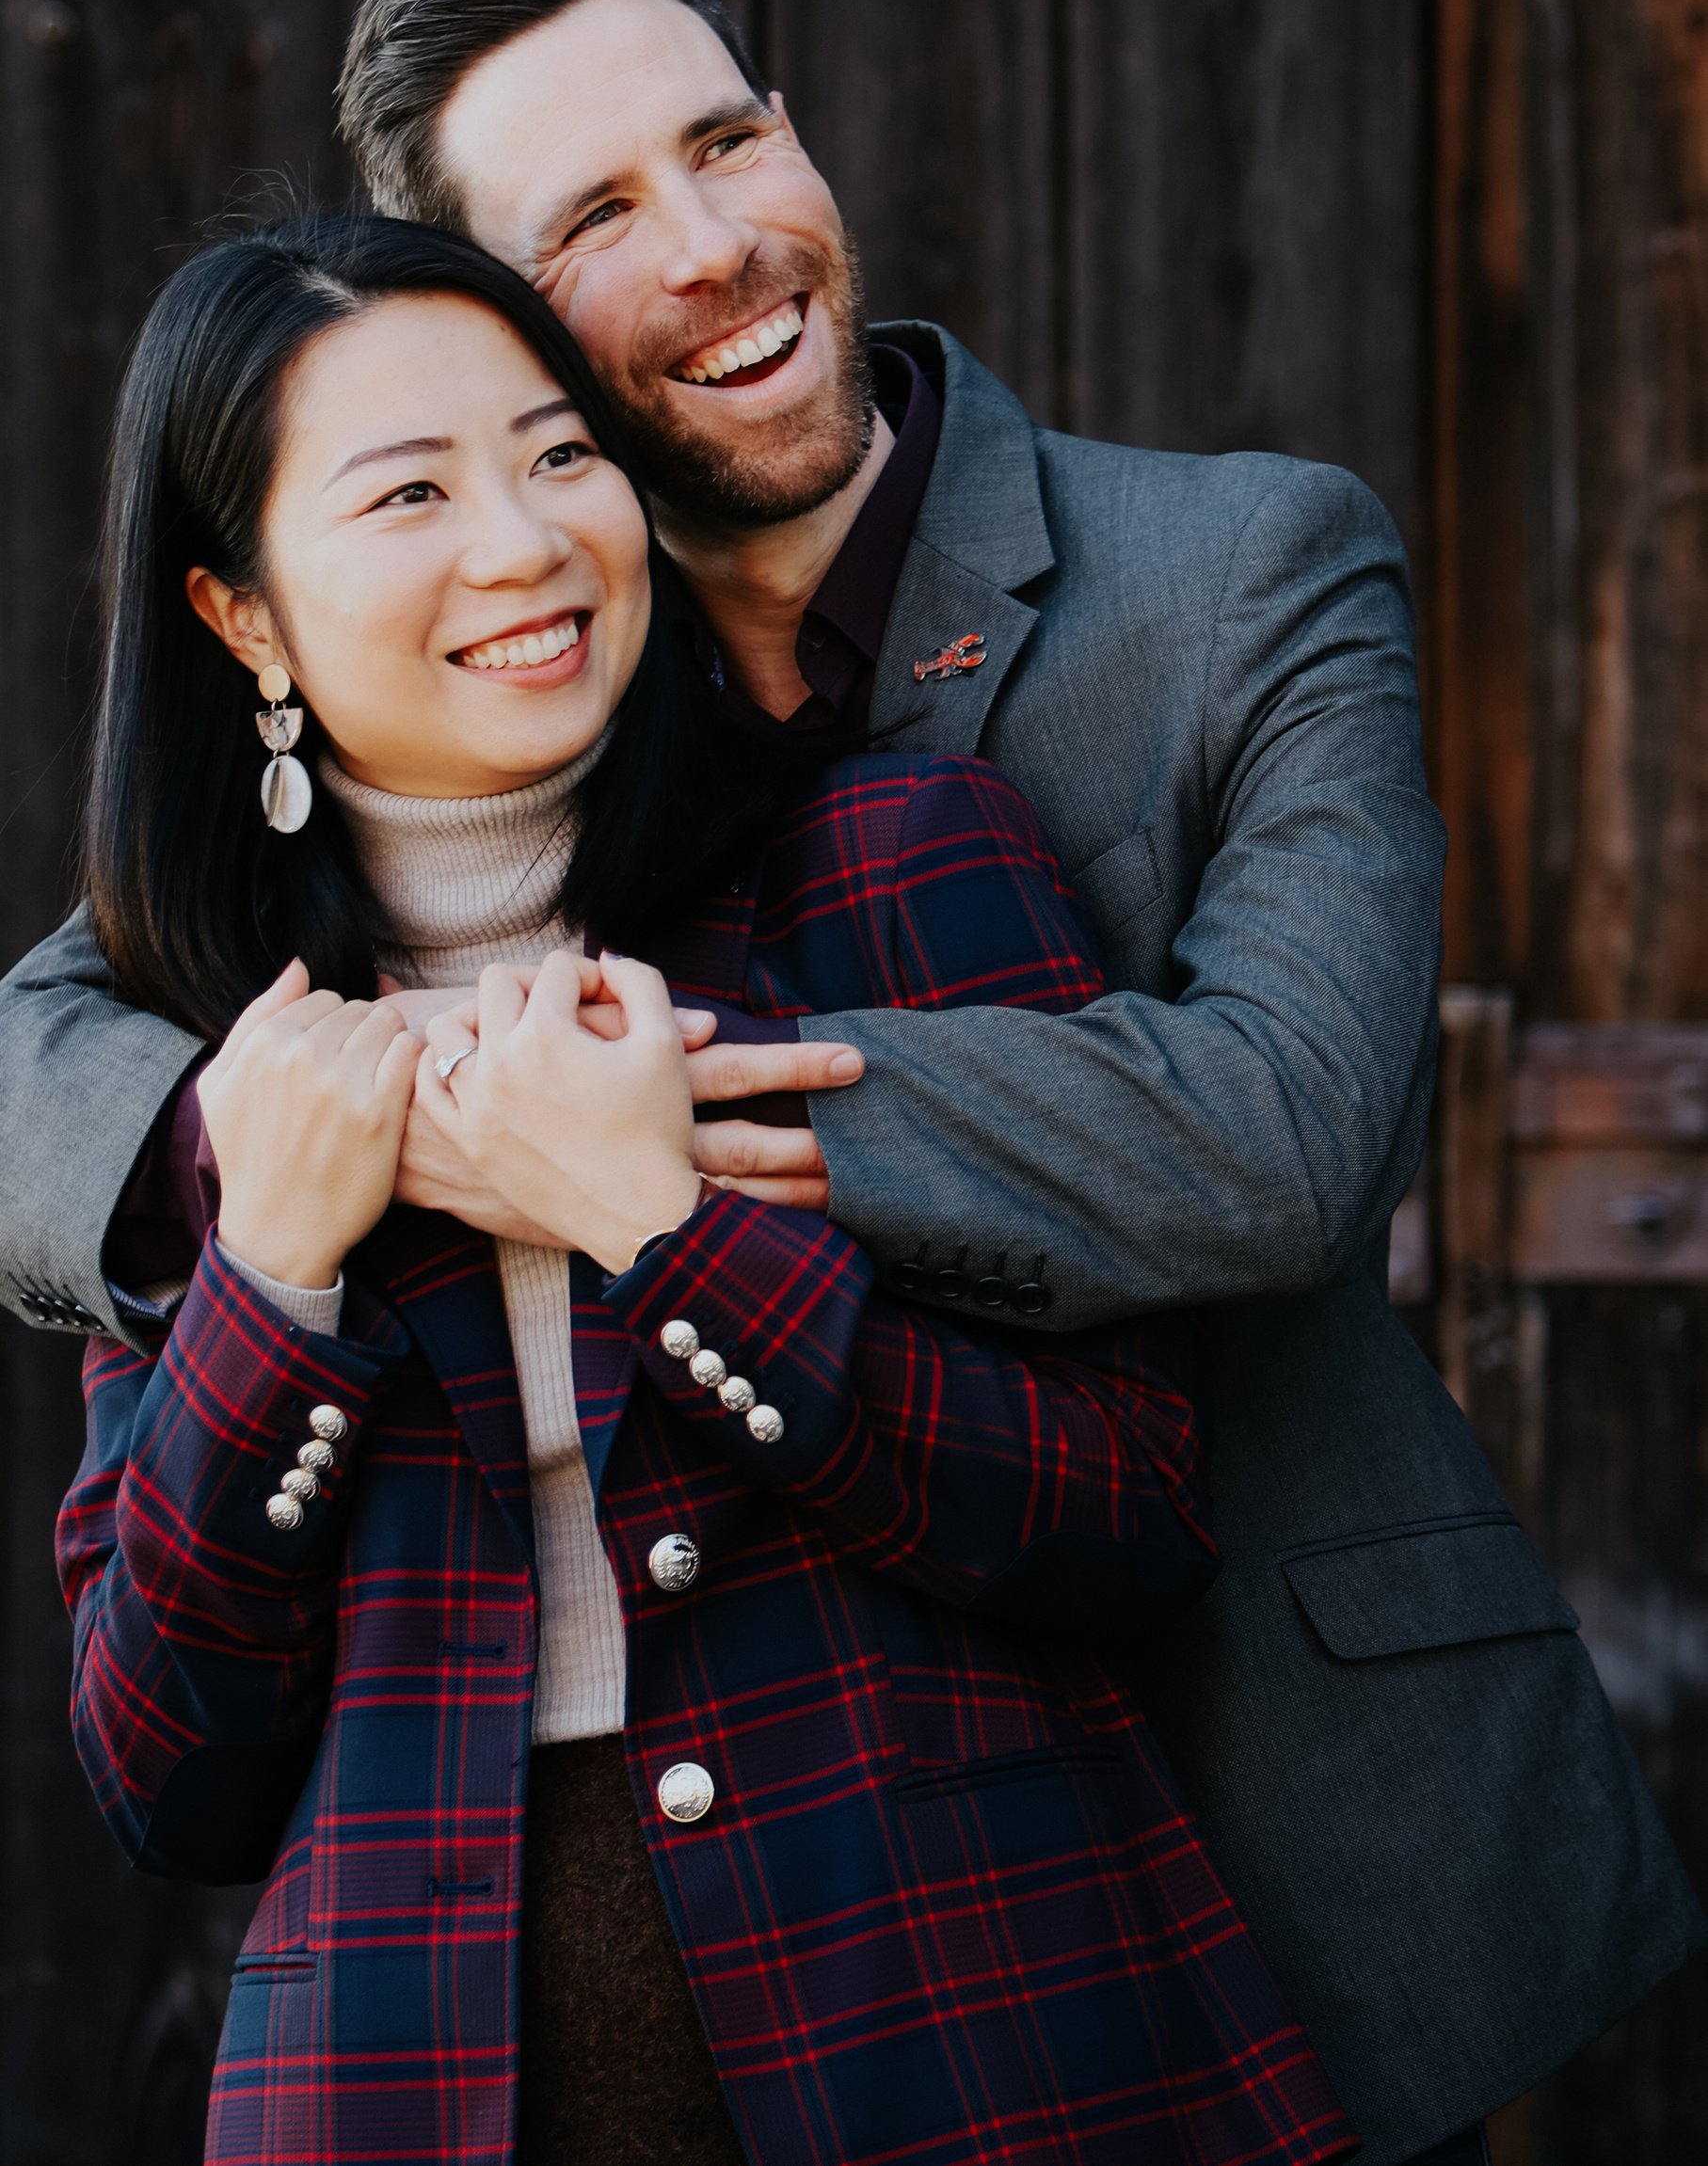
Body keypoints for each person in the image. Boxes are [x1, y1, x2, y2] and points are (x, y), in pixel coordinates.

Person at [3, 0, 1700, 2166]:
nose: (711, 240)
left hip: (1237, 1807)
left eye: (726, 135)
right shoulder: (391, 808)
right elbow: (72, 1045)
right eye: (594, 216)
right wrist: (283, 1189)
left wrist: (656, 1131)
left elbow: (1288, 1135)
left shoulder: (1231, 576)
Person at [56, 210, 1358, 2166]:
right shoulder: (195, 1073)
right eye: (409, 489)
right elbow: (168, 1776)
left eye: (556, 450)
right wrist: (269, 1277)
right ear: (241, 613)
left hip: (988, 2046)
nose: (520, 540)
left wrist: (674, 1237)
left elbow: (1126, 1512)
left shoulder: (892, 862)